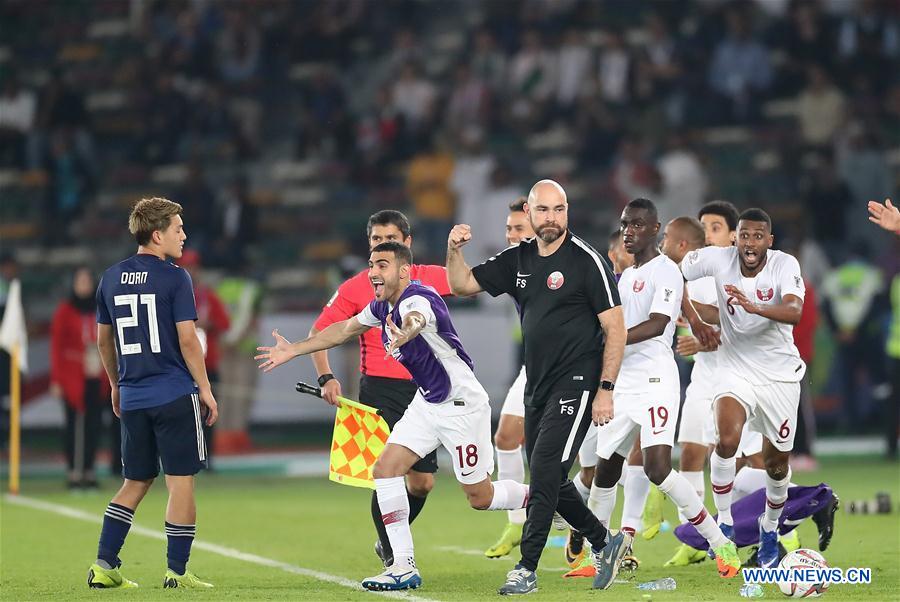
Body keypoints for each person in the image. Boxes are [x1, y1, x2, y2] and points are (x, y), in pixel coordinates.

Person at [255, 242, 529, 591]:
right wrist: (294, 349)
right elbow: (344, 329)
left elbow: (417, 319)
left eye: (381, 265)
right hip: (428, 402)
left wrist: (407, 331)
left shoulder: (417, 299)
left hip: (461, 406)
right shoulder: (381, 306)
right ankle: (402, 565)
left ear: (403, 271)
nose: (373, 272)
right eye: (371, 264)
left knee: (481, 498)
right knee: (385, 469)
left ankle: (544, 498)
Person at [447, 179, 628, 594]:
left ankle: (526, 567)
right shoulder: (519, 258)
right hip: (537, 383)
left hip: (578, 381)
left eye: (558, 210)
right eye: (543, 210)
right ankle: (606, 542)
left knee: (546, 468)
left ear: (567, 212)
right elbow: (462, 285)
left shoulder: (586, 260)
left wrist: (605, 388)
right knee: (550, 475)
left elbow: (615, 328)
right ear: (529, 214)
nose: (551, 218)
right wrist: (454, 250)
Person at [573, 200, 741, 581]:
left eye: (637, 225)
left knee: (658, 468)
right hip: (623, 381)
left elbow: (657, 323)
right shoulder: (624, 278)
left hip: (655, 380)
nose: (628, 231)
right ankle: (597, 556)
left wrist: (611, 340)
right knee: (605, 470)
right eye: (624, 225)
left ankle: (721, 544)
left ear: (654, 229)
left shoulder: (665, 270)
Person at [87, 197, 218, 589]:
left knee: (135, 481)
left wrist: (116, 384)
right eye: (178, 228)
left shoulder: (110, 277)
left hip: (133, 397)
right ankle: (176, 572)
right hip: (174, 394)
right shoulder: (176, 278)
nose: (184, 235)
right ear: (157, 234)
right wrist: (206, 388)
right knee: (180, 481)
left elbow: (103, 341)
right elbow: (188, 341)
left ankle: (104, 565)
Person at [309, 210, 451, 568]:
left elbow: (469, 282)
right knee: (388, 473)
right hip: (380, 390)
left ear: (407, 243)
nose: (382, 245)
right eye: (376, 240)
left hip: (425, 390)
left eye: (390, 239)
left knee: (422, 484)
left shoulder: (429, 276)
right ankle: (393, 556)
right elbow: (320, 332)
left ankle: (387, 541)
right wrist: (326, 377)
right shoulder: (356, 286)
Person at [681, 208, 806, 569]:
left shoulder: (784, 265)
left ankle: (770, 528)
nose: (750, 243)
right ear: (736, 238)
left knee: (776, 466)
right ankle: (724, 523)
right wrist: (692, 316)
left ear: (769, 240)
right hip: (734, 370)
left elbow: (794, 311)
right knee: (726, 441)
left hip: (780, 376)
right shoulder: (719, 258)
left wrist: (755, 306)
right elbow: (671, 269)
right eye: (745, 236)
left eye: (758, 236)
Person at [485, 197, 536, 559]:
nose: (511, 235)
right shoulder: (514, 264)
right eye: (508, 229)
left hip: (571, 370)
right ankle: (517, 522)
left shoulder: (568, 263)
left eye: (519, 228)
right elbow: (465, 282)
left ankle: (591, 533)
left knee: (583, 459)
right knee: (505, 437)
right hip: (533, 367)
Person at [51, 267, 114, 489]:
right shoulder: (65, 311)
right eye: (80, 282)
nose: (84, 286)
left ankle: (89, 470)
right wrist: (57, 379)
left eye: (87, 281)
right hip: (72, 376)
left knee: (94, 425)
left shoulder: (100, 309)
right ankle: (74, 471)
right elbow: (57, 347)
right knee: (74, 425)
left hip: (97, 374)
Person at [178, 250, 230, 468]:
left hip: (208, 365)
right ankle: (184, 458)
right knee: (182, 415)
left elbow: (225, 323)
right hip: (181, 366)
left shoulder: (208, 296)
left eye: (193, 267)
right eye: (186, 267)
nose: (190, 271)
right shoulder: (174, 295)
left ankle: (207, 458)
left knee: (208, 413)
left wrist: (208, 325)